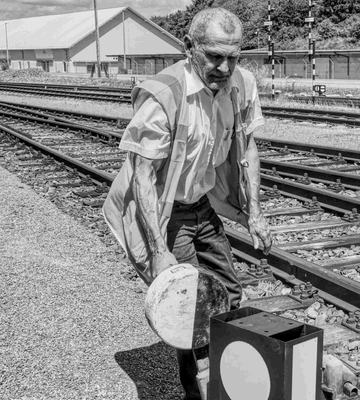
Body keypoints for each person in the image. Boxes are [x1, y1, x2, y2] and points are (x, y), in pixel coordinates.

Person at [102, 7, 272, 400]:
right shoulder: (164, 94)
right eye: (214, 55)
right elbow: (143, 175)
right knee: (188, 305)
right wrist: (159, 251)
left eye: (234, 56)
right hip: (165, 209)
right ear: (189, 47)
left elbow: (247, 147)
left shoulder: (242, 84)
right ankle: (196, 391)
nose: (225, 66)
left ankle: (227, 377)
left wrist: (255, 213)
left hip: (202, 204)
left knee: (228, 291)